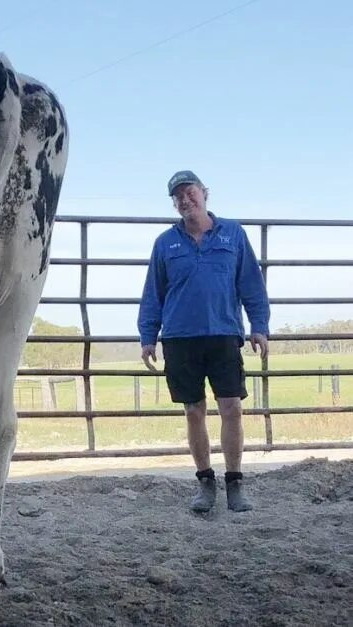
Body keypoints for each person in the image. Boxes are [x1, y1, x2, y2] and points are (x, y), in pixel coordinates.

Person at [137, 170, 270, 513]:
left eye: (189, 192)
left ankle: (235, 482)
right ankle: (205, 482)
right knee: (194, 411)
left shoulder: (234, 234)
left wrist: (259, 325)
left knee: (232, 408)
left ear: (204, 193)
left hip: (224, 334)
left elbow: (251, 284)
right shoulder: (166, 243)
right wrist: (148, 335)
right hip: (181, 338)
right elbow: (154, 292)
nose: (184, 200)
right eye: (177, 196)